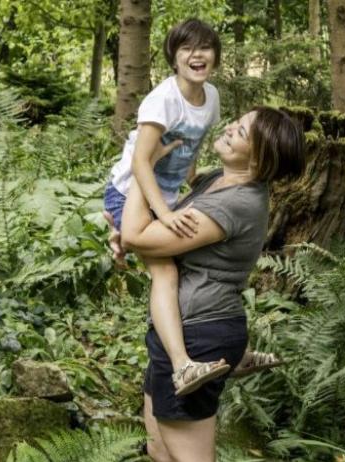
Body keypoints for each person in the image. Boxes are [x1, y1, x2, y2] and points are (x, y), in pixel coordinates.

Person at [119, 107, 305, 462]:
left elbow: (143, 235)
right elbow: (152, 234)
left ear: (260, 160)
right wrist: (129, 234)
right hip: (179, 328)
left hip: (200, 329)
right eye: (236, 121)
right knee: (163, 456)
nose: (229, 129)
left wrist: (142, 168)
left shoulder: (237, 203)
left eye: (241, 131)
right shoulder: (213, 184)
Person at [104, 18, 230, 397]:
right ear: (174, 58)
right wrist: (165, 214)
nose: (197, 55)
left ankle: (225, 352)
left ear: (215, 57)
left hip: (166, 196)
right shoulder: (163, 99)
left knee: (195, 260)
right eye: (187, 48)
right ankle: (181, 367)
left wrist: (192, 187)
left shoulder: (211, 99)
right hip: (130, 192)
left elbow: (191, 149)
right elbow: (143, 162)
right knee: (166, 274)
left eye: (205, 47)